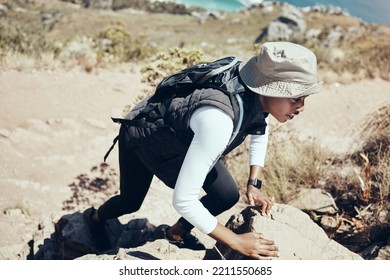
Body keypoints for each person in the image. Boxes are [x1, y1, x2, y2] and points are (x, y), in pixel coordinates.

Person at [83, 41, 323, 260]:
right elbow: (184, 200)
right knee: (130, 201)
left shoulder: (257, 96)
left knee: (227, 194)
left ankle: (176, 232)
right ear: (270, 88)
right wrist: (236, 241)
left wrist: (254, 182)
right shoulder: (218, 121)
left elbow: (260, 126)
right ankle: (94, 218)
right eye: (296, 99)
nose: (301, 108)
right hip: (143, 136)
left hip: (182, 140)